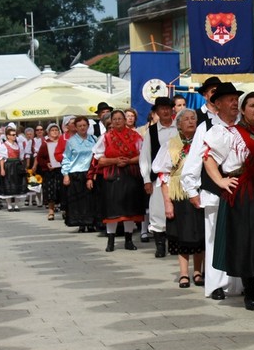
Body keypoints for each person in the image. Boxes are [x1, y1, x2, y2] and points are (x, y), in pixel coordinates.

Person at [206, 91, 254, 310]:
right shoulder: (231, 133)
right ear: (242, 110)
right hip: (243, 192)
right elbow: (208, 157)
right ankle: (250, 292)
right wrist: (220, 180)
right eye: (252, 105)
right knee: (246, 241)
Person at [183, 82, 243, 300]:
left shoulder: (241, 126)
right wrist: (191, 190)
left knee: (237, 235)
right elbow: (195, 161)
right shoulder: (206, 127)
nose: (235, 102)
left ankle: (236, 281)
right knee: (214, 238)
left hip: (240, 191)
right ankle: (216, 284)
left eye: (236, 98)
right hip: (213, 190)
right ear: (217, 104)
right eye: (230, 99)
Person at [154, 108, 206, 288]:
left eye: (194, 118)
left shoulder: (203, 142)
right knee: (183, 235)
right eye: (187, 119)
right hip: (179, 193)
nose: (191, 121)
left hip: (199, 191)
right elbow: (163, 175)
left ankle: (198, 271)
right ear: (179, 124)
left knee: (199, 233)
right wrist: (167, 203)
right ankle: (184, 273)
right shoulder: (170, 144)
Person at [91, 109, 147, 252]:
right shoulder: (105, 137)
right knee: (113, 209)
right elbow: (99, 159)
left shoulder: (135, 136)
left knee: (129, 208)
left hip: (131, 175)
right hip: (112, 176)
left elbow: (143, 155)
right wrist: (115, 160)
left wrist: (128, 161)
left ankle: (129, 240)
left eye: (119, 119)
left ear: (125, 120)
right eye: (114, 119)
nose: (117, 121)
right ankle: (111, 241)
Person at [139, 97, 177, 258]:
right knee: (158, 211)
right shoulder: (151, 131)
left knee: (177, 210)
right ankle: (160, 245)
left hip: (177, 177)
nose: (165, 111)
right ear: (156, 112)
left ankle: (176, 243)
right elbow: (145, 157)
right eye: (161, 109)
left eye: (168, 108)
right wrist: (146, 179)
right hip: (158, 178)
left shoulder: (179, 128)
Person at [62, 116, 97, 233]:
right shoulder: (71, 142)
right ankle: (81, 223)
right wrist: (65, 174)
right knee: (78, 199)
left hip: (89, 172)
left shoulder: (94, 139)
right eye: (80, 126)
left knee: (90, 199)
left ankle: (91, 222)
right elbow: (66, 158)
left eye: (84, 125)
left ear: (88, 126)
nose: (82, 128)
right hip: (75, 172)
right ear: (76, 128)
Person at [34, 122, 63, 221]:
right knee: (51, 191)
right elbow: (40, 158)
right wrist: (47, 164)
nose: (54, 132)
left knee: (62, 190)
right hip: (50, 171)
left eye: (56, 130)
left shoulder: (62, 142)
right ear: (49, 132)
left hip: (61, 169)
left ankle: (64, 211)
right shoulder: (45, 144)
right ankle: (51, 211)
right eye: (52, 130)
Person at [0, 127, 27, 212]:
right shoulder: (3, 146)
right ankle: (9, 205)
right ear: (8, 136)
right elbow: (1, 158)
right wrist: (2, 169)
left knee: (18, 184)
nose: (14, 136)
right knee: (8, 185)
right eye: (13, 135)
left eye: (15, 135)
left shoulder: (17, 145)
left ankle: (16, 205)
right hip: (9, 166)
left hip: (17, 166)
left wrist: (23, 166)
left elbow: (21, 157)